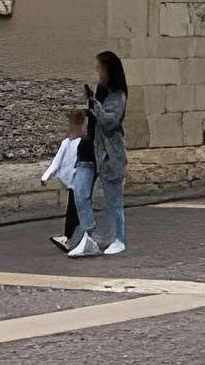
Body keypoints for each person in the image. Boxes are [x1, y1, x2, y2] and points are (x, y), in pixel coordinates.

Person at [65, 52, 128, 260]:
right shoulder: (100, 90)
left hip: (109, 153)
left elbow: (110, 122)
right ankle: (89, 236)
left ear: (109, 70)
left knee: (113, 200)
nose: (97, 71)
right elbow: (92, 118)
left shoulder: (119, 95)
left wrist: (95, 105)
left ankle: (118, 239)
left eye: (100, 67)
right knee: (80, 191)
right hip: (89, 147)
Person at [41, 109, 86, 252]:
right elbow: (57, 161)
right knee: (75, 210)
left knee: (76, 210)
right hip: (74, 182)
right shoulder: (67, 143)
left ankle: (73, 238)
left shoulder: (85, 142)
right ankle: (72, 238)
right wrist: (46, 175)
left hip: (81, 181)